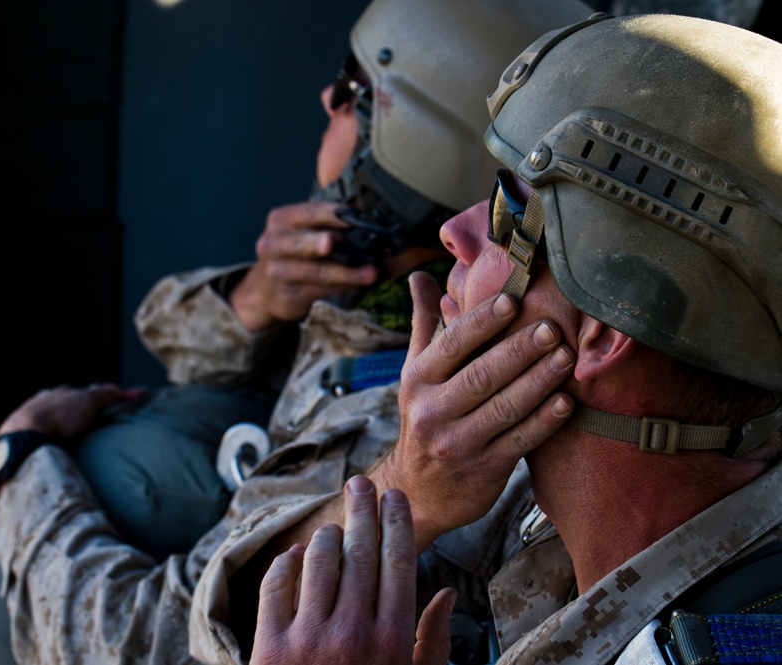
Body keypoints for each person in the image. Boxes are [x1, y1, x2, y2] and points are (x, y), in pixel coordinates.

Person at [0, 0, 594, 663]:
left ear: (406, 150)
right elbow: (167, 339)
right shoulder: (377, 290)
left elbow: (137, 644)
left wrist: (20, 460)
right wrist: (257, 297)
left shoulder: (379, 429)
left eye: (351, 89)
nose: (325, 98)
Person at [248, 11, 782, 665]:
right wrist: (415, 482)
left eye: (509, 210)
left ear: (601, 329)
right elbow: (243, 595)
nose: (457, 232)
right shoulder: (564, 501)